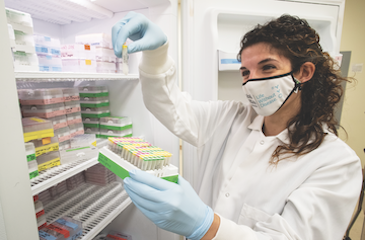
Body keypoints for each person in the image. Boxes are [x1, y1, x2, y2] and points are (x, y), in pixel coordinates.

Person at [112, 12, 363, 240]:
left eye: (267, 67)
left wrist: (206, 226)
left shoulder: (336, 163)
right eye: (245, 72)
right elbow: (169, 105)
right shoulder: (229, 116)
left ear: (304, 72)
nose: (253, 81)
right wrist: (157, 53)